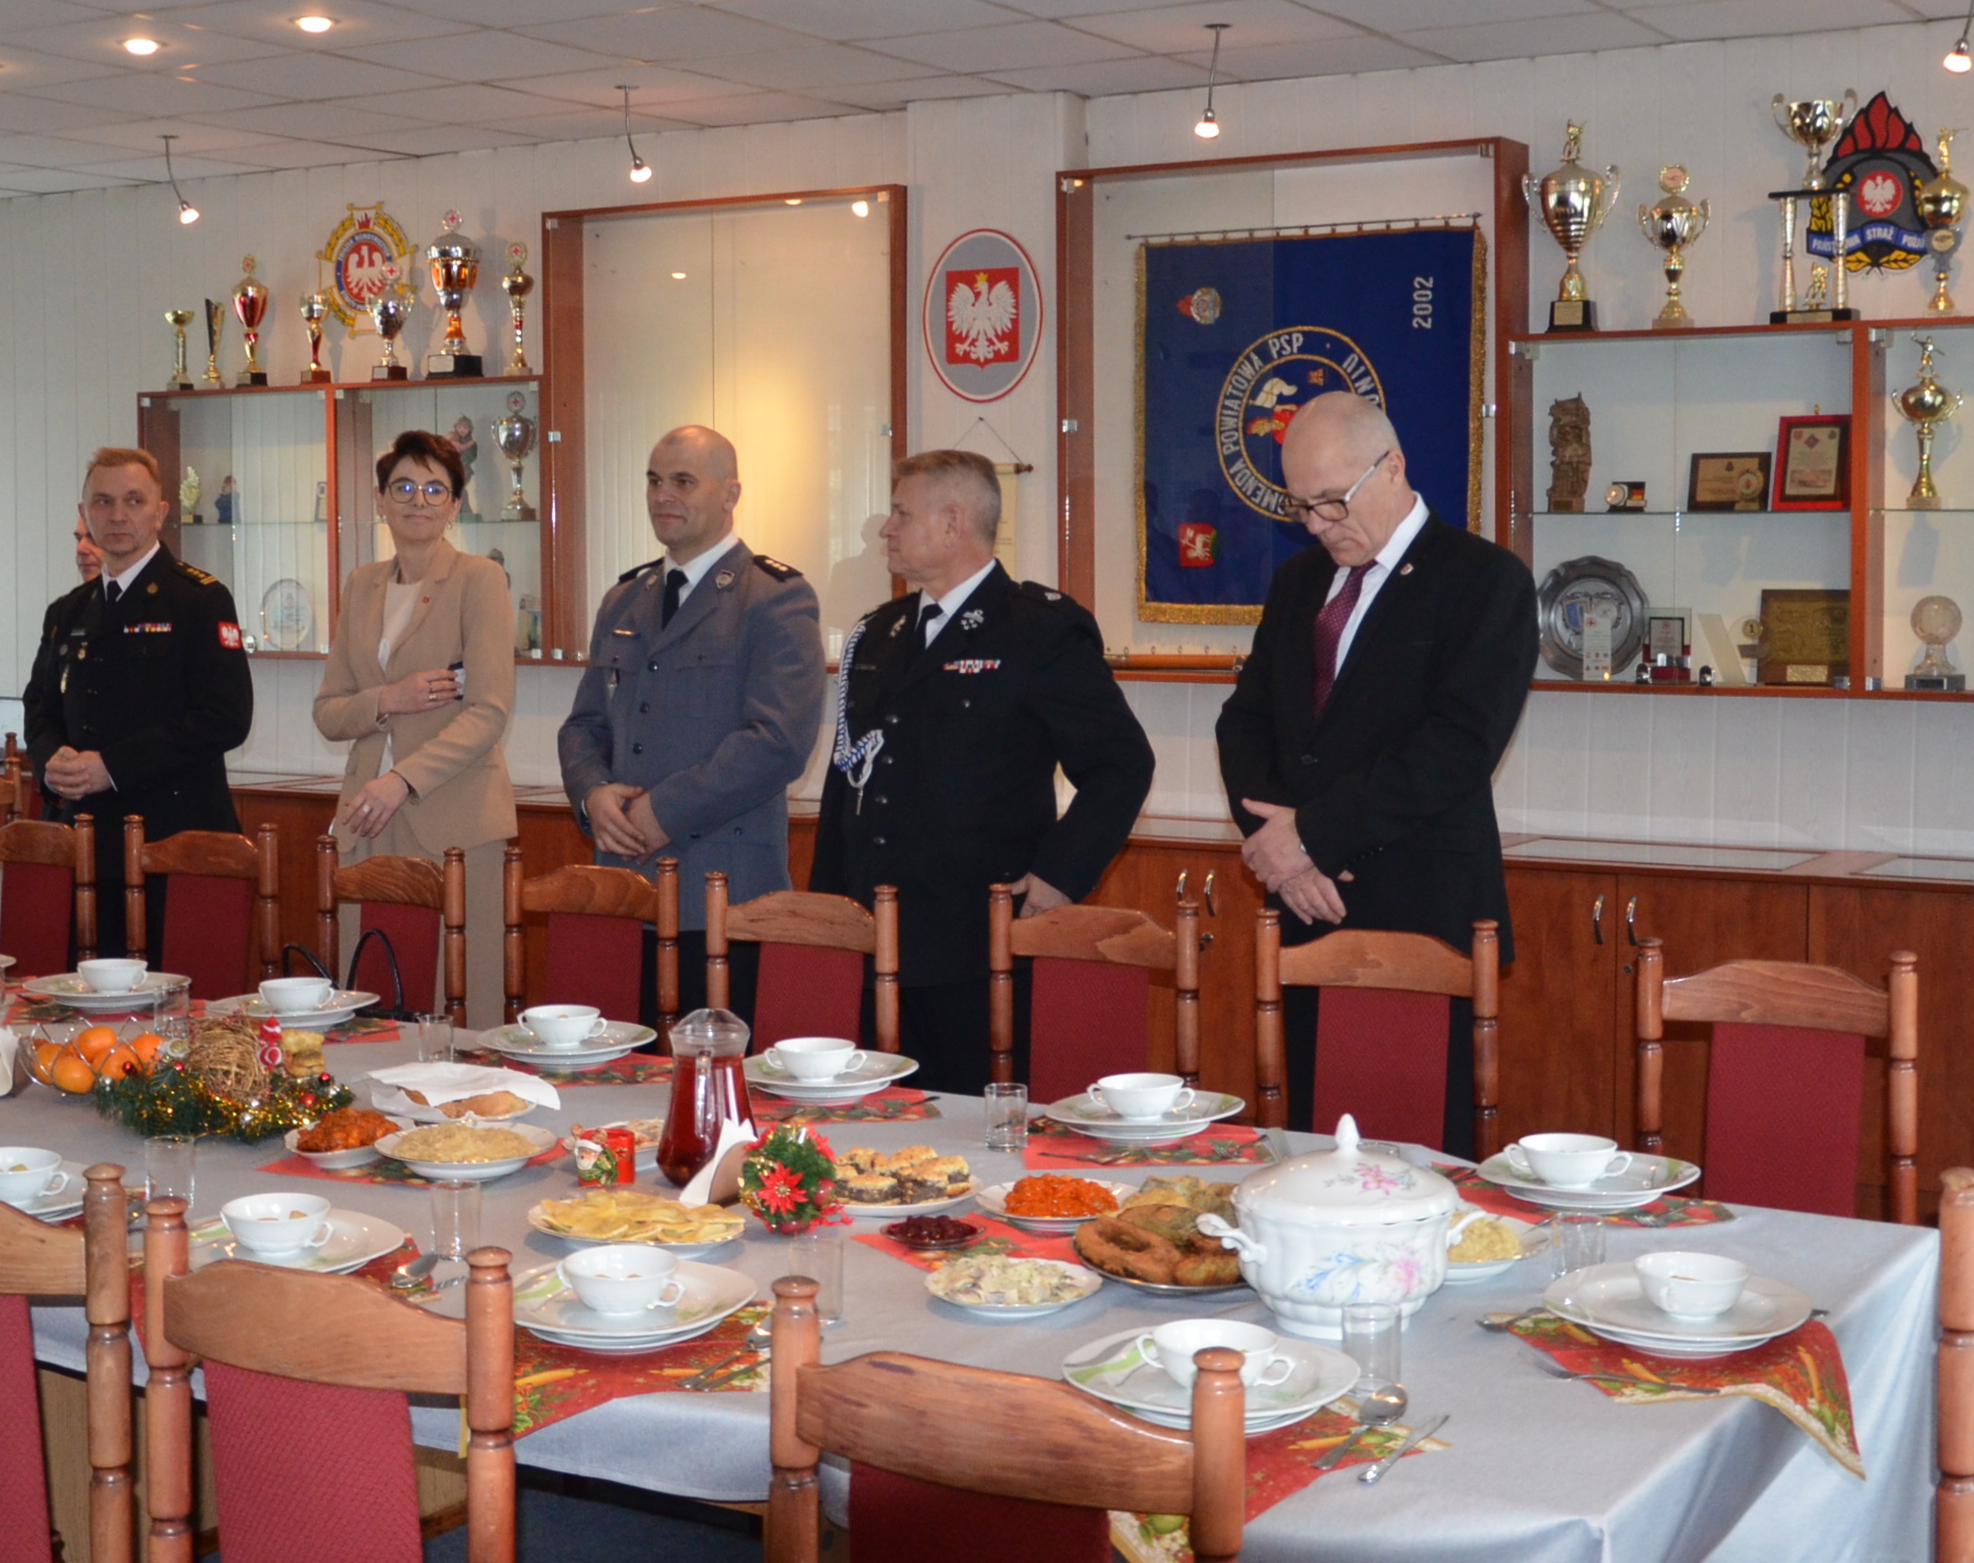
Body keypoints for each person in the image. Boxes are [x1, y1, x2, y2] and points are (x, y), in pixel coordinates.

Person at [1214, 390, 1537, 1152]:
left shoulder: (1483, 580)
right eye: (1302, 506)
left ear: (1392, 467)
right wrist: (1281, 854)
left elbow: (1457, 746)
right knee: (1312, 1149)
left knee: (1418, 1160)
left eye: (1333, 501)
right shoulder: (1298, 582)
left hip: (1422, 912)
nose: (1318, 524)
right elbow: (1245, 721)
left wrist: (1311, 838)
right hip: (1308, 911)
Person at [810, 450, 1154, 1089]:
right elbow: (847, 780)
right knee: (872, 1117)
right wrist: (829, 913)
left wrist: (1058, 877)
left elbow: (1121, 763)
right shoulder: (879, 633)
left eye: (901, 513)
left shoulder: (1037, 630)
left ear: (952, 523)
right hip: (872, 933)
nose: (886, 528)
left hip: (975, 939)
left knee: (971, 1117)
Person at [556, 424, 824, 1002]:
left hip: (723, 894)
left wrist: (663, 812)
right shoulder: (624, 599)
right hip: (624, 889)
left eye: (683, 482)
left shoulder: (774, 596)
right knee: (622, 1057)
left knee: (714, 1059)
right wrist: (592, 795)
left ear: (731, 494)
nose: (662, 496)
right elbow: (584, 725)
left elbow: (777, 742)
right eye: (654, 481)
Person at [24, 446, 257, 959]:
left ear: (160, 512)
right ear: (84, 514)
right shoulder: (68, 611)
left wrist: (112, 767)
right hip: (87, 844)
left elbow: (226, 717)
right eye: (103, 502)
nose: (117, 515)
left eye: (134, 500)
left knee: (179, 997)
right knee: (85, 997)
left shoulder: (199, 599)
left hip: (175, 842)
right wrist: (51, 761)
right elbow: (39, 708)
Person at [315, 430, 515, 1019]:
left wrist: (401, 781)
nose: (418, 501)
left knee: (461, 1003)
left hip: (452, 816)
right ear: (380, 500)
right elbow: (329, 711)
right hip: (366, 816)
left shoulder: (480, 579)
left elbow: (489, 711)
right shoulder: (362, 584)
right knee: (370, 995)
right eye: (402, 487)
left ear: (455, 504)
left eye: (434, 489)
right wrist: (388, 698)